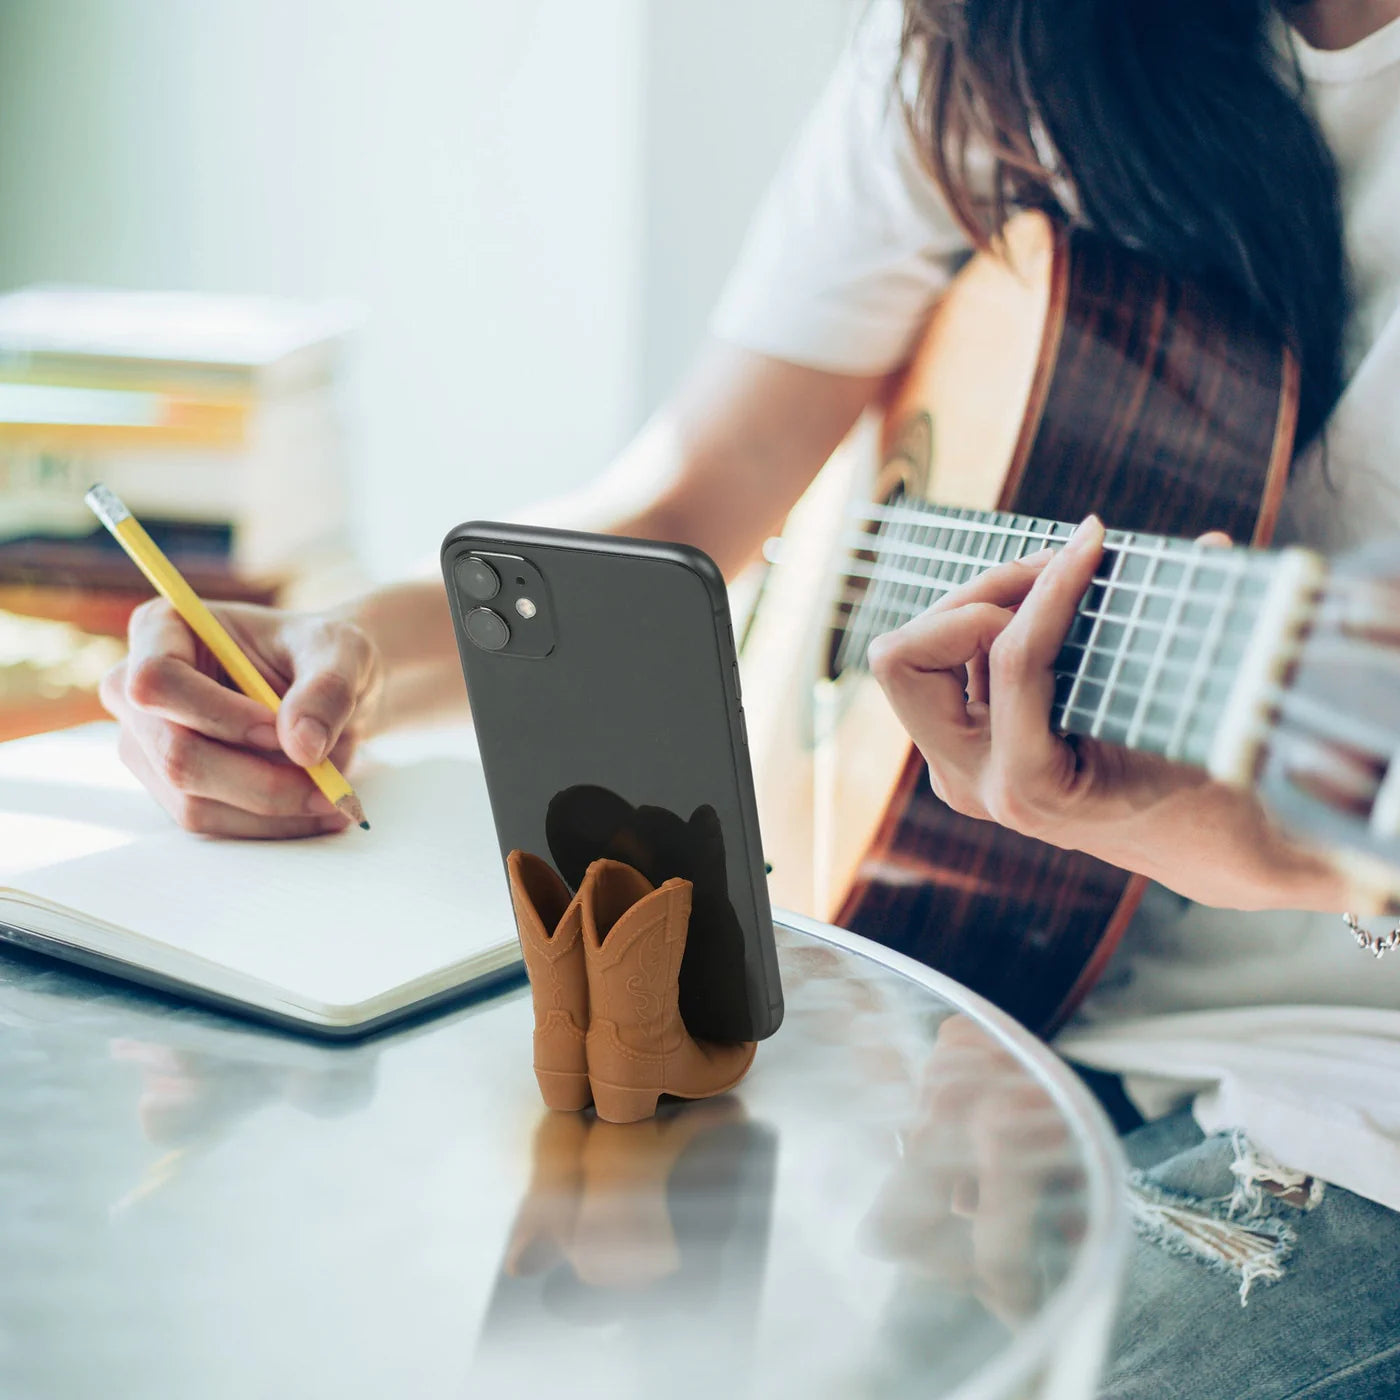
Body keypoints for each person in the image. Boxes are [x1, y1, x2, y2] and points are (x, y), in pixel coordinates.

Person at [101, 1, 1400, 1394]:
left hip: (1346, 1092)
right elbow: (690, 514)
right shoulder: (993, 38)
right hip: (963, 991)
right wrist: (344, 649)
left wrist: (1307, 860)